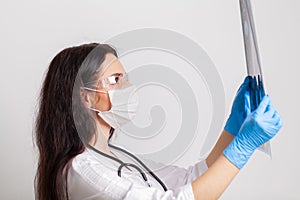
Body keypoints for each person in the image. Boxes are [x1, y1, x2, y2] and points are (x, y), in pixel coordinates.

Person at [35, 43, 282, 200]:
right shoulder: (82, 171)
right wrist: (244, 146)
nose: (127, 88)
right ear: (86, 97)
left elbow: (190, 180)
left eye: (125, 78)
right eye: (116, 80)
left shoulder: (117, 157)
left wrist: (233, 129)